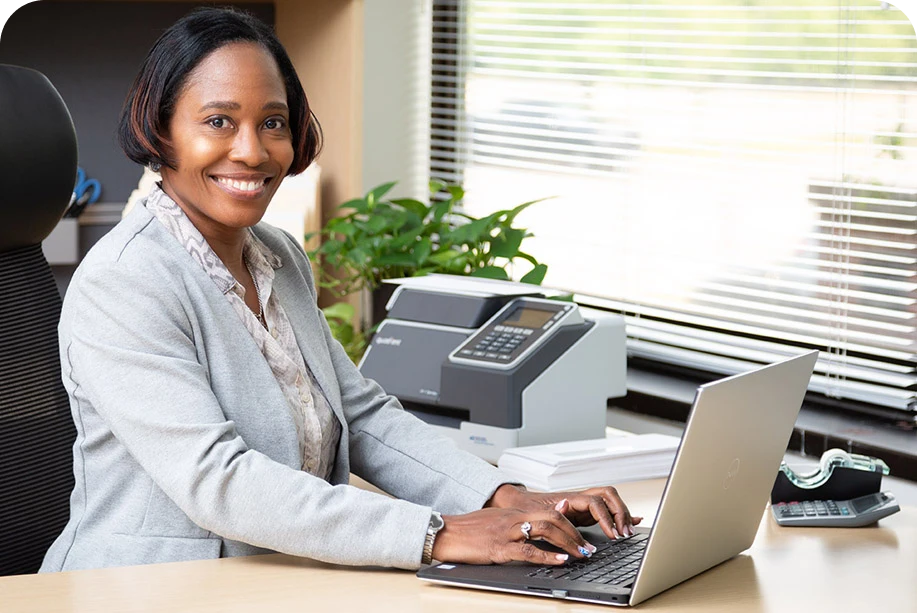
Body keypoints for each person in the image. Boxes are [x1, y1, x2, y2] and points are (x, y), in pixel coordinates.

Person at [40, 6, 640, 573]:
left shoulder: (277, 254)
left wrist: (505, 497)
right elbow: (216, 480)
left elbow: (361, 415)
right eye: (218, 121)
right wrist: (438, 534)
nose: (251, 150)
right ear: (160, 131)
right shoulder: (124, 281)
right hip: (146, 589)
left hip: (281, 578)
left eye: (272, 122)